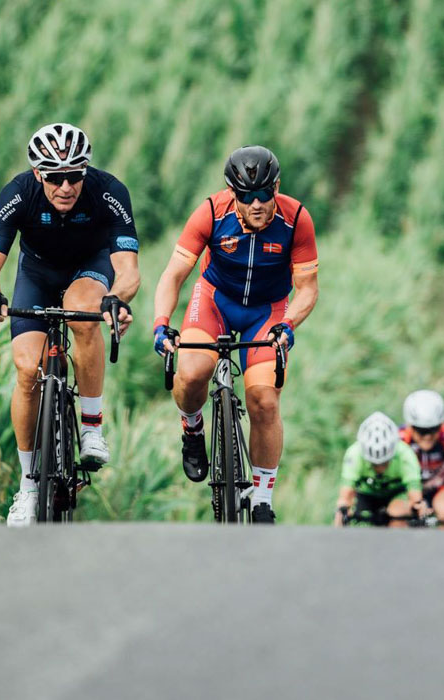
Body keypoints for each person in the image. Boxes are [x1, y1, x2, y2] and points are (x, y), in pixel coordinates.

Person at [0, 123, 139, 527]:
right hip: (37, 275)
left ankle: (92, 427)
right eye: (55, 177)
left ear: (86, 172)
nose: (66, 186)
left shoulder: (108, 192)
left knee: (83, 312)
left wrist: (117, 298)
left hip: (89, 269)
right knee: (28, 370)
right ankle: (28, 487)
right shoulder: (18, 193)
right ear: (37, 175)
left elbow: (128, 269)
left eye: (74, 176)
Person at [149, 145, 319, 525]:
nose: (256, 204)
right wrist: (161, 322)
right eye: (246, 196)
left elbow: (307, 288)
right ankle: (192, 429)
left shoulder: (297, 220)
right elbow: (174, 273)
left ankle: (261, 498)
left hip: (268, 309)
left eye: (264, 194)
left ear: (277, 186)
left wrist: (288, 325)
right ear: (232, 193)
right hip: (215, 300)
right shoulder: (211, 212)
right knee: (191, 373)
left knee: (264, 401)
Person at [334, 412, 429, 527]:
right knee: (342, 512)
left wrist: (418, 509)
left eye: (384, 462)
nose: (380, 468)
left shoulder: (406, 454)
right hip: (366, 494)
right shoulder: (354, 454)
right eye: (374, 463)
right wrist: (342, 513)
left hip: (397, 494)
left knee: (398, 512)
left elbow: (415, 496)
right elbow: (345, 495)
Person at [400, 389, 444, 528]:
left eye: (434, 429)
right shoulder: (398, 440)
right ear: (410, 426)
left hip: (438, 490)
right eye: (422, 431)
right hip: (406, 490)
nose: (428, 436)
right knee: (398, 512)